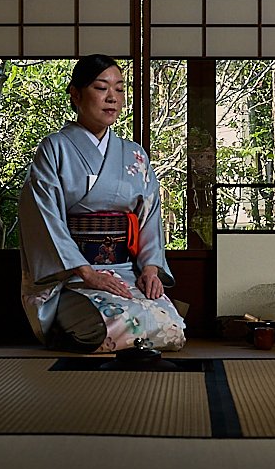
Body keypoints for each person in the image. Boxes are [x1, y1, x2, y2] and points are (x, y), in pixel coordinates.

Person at [18, 54, 188, 352]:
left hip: (124, 270)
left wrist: (149, 269)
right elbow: (44, 217)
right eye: (101, 88)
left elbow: (149, 216)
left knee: (173, 330)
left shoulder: (134, 154)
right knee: (105, 326)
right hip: (73, 276)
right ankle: (69, 322)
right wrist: (87, 273)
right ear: (75, 93)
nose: (113, 98)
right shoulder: (54, 149)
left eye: (120, 89)